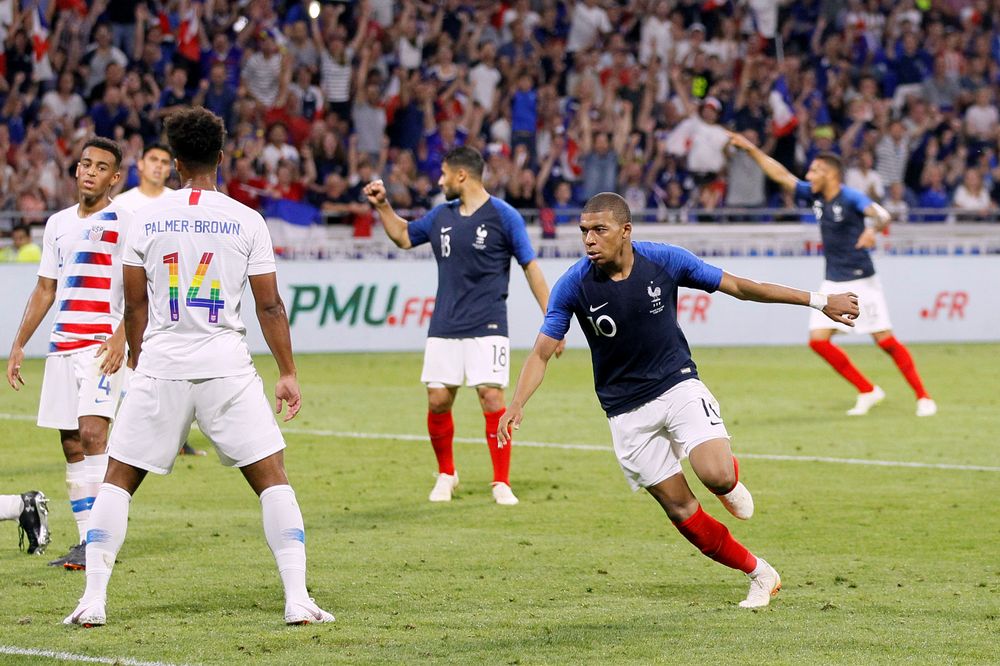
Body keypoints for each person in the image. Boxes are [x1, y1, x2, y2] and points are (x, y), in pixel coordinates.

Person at [498, 192, 861, 608]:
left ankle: (729, 483)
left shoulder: (665, 261)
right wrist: (517, 402)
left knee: (717, 475)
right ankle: (760, 573)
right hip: (625, 412)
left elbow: (742, 287)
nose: (589, 240)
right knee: (681, 511)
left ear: (625, 231)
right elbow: (542, 351)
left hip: (677, 386)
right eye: (584, 232)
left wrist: (818, 301)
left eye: (599, 230)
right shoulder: (574, 285)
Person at [63, 108, 333, 627]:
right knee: (273, 478)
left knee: (118, 478)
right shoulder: (245, 219)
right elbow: (270, 306)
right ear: (221, 158)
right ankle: (297, 597)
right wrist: (288, 371)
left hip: (162, 363)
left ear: (177, 163)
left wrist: (142, 362)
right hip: (226, 367)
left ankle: (92, 600)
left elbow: (134, 303)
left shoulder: (144, 218)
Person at [363, 146, 563, 505]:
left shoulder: (505, 217)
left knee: (491, 397)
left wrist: (554, 319)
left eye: (443, 174)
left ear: (461, 176)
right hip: (444, 324)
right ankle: (446, 474)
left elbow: (530, 267)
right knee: (438, 399)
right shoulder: (441, 216)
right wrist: (382, 206)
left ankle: (501, 482)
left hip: (488, 323)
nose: (438, 180)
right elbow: (405, 237)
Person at [729, 134, 937, 417]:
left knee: (884, 340)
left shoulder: (850, 196)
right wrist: (753, 149)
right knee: (818, 340)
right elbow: (781, 175)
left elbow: (882, 215)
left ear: (830, 174)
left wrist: (871, 230)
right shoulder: (814, 194)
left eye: (814, 170)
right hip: (833, 280)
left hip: (862, 278)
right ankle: (868, 390)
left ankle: (923, 397)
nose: (808, 175)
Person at [6, 138, 131, 571]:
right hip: (62, 347)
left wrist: (121, 337)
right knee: (72, 442)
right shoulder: (58, 223)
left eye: (101, 167)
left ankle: (101, 539)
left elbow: (142, 286)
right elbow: (46, 288)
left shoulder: (125, 220)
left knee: (95, 435)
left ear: (114, 177)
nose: (90, 172)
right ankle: (84, 542)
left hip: (101, 346)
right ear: (76, 170)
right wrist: (19, 343)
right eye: (85, 164)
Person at [114, 142, 206, 457]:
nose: (158, 166)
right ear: (139, 165)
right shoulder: (122, 204)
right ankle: (132, 435)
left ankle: (173, 436)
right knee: (132, 364)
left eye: (165, 161)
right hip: (130, 296)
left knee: (172, 364)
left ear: (173, 167)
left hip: (171, 299)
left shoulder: (178, 202)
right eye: (152, 159)